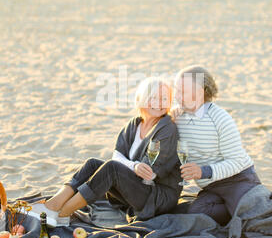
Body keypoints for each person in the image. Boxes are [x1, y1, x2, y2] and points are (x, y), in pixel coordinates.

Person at [30, 77, 182, 226]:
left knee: (111, 169)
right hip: (138, 189)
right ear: (142, 98)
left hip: (157, 197)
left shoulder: (167, 128)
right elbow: (117, 155)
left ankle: (62, 214)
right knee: (92, 164)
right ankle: (51, 205)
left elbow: (148, 173)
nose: (159, 103)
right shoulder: (135, 124)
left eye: (164, 99)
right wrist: (133, 166)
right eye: (154, 97)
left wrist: (130, 166)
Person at [171, 65, 262, 226]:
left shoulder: (220, 118)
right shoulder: (177, 116)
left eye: (182, 92)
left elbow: (237, 162)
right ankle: (238, 204)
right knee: (196, 214)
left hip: (238, 179)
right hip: (211, 186)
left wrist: (202, 171)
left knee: (250, 218)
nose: (177, 96)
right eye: (176, 90)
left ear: (200, 92)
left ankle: (255, 200)